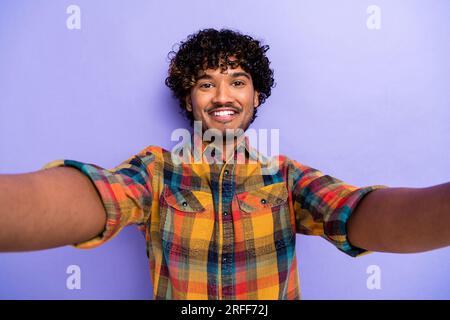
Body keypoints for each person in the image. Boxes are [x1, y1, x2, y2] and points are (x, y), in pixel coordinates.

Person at [0, 28, 449, 300]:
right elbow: (98, 197)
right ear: (188, 99)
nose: (222, 96)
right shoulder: (156, 172)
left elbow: (358, 212)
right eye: (205, 83)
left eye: (237, 81)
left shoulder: (286, 177)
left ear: (256, 96)